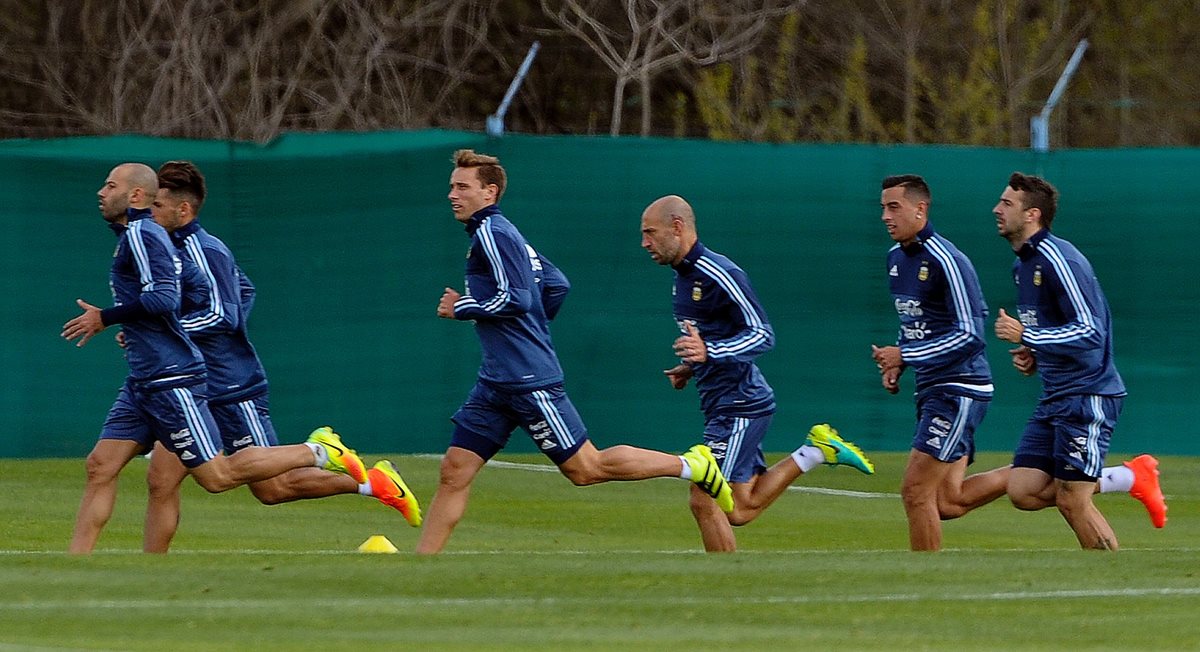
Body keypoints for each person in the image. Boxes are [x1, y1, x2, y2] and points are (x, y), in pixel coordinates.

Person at [416, 151, 734, 555]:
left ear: (490, 192)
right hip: (497, 381)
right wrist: (527, 331)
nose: (452, 194)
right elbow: (556, 283)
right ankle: (422, 564)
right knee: (454, 470)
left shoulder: (493, 233)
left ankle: (692, 465)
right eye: (451, 186)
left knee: (587, 469)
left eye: (462, 187)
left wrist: (462, 307)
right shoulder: (499, 234)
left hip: (527, 381)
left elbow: (515, 297)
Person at [63, 162, 366, 554]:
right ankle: (82, 563)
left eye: (110, 185)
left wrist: (112, 318)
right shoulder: (144, 237)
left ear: (138, 196)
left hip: (180, 379)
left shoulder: (158, 237)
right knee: (103, 466)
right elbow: (235, 291)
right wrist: (145, 330)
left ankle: (320, 451)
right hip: (146, 378)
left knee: (222, 478)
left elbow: (186, 303)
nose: (101, 193)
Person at [138, 160, 421, 553]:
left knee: (273, 490)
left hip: (229, 385)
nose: (148, 214)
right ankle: (152, 570)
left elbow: (224, 313)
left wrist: (171, 332)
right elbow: (246, 291)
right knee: (160, 480)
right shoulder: (170, 249)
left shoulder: (204, 249)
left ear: (182, 210)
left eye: (156, 206)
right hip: (192, 385)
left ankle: (347, 466)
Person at [641, 195, 875, 553]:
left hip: (740, 404)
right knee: (740, 507)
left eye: (650, 233)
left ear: (677, 227)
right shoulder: (682, 278)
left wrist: (710, 352)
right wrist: (692, 366)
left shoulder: (720, 272)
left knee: (704, 498)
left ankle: (725, 588)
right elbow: (716, 336)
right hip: (722, 402)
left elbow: (763, 334)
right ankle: (815, 452)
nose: (645, 243)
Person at [993, 171, 1167, 550]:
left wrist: (1028, 335)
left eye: (1006, 203)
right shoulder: (1023, 265)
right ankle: (1128, 477)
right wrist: (1033, 354)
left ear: (1032, 214)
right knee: (1022, 490)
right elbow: (1059, 330)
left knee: (1073, 498)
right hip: (1055, 395)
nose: (997, 209)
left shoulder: (1059, 258)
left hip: (1088, 395)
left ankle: (1112, 583)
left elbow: (1090, 331)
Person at [871, 175, 1011, 551]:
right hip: (932, 388)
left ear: (921, 209)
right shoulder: (895, 260)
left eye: (894, 207)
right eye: (883, 207)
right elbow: (916, 324)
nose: (885, 216)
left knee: (916, 491)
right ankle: (1033, 472)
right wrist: (898, 361)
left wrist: (906, 355)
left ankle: (923, 583)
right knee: (947, 502)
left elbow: (970, 335)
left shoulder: (948, 259)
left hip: (960, 388)